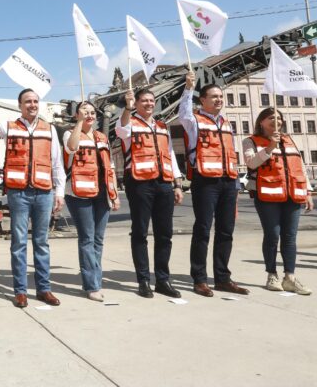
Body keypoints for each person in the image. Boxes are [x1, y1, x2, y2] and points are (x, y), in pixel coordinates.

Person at [0, 79, 65, 308]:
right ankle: (20, 291)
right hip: (19, 193)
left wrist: (60, 191)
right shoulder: (9, 127)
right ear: (20, 105)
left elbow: (57, 163)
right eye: (28, 101)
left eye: (35, 101)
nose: (32, 105)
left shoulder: (50, 130)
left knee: (42, 242)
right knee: (18, 243)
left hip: (44, 193)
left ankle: (44, 289)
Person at [179, 71, 248, 297]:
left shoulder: (226, 123)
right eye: (214, 96)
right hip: (205, 181)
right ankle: (199, 279)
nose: (219, 100)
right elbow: (183, 112)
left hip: (228, 180)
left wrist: (236, 184)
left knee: (226, 231)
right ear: (203, 100)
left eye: (221, 96)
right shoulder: (194, 121)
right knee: (203, 229)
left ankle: (222, 278)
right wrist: (189, 88)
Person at [116, 88, 184, 299]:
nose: (148, 104)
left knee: (165, 234)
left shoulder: (162, 127)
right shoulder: (129, 123)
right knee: (140, 232)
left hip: (163, 182)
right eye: (143, 100)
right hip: (139, 183)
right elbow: (121, 129)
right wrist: (127, 108)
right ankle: (143, 280)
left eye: (151, 100)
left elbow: (170, 154)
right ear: (135, 103)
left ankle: (163, 280)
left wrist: (177, 183)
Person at [243, 107, 313, 295]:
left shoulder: (289, 140)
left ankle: (290, 277)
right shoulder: (250, 141)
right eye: (271, 118)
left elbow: (300, 166)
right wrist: (270, 148)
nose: (277, 121)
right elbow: (251, 163)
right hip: (267, 195)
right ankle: (271, 274)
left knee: (290, 237)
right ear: (261, 122)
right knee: (272, 235)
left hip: (293, 194)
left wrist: (308, 191)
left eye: (279, 118)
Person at [63, 101, 120, 302]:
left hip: (101, 192)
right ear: (77, 114)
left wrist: (114, 194)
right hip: (79, 193)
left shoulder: (102, 137)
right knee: (87, 238)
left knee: (98, 239)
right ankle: (92, 285)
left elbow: (109, 166)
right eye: (84, 111)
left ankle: (94, 278)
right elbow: (71, 148)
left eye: (92, 112)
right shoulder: (70, 133)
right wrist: (79, 123)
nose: (89, 114)